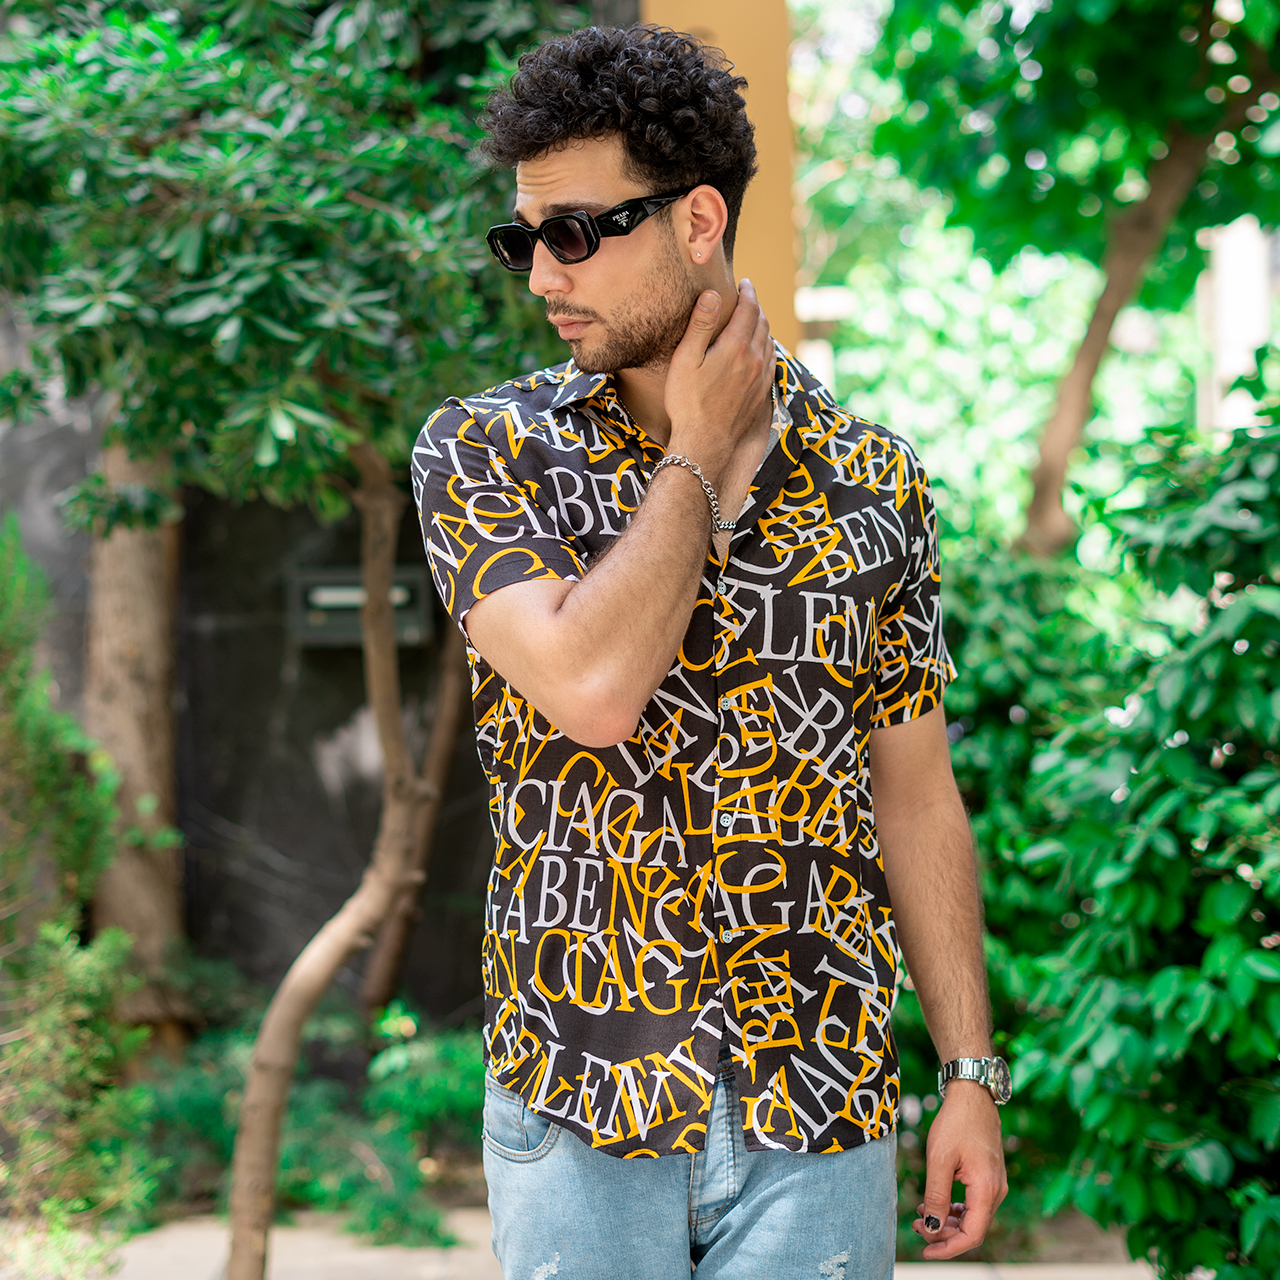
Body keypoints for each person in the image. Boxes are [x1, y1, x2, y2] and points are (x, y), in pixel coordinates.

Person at [412, 23, 1008, 1280]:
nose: (541, 274)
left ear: (695, 220)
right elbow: (590, 688)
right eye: (524, 238)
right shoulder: (483, 452)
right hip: (581, 1102)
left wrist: (967, 1070)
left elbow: (913, 793)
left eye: (577, 232)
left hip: (820, 1105)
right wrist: (696, 453)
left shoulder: (872, 479)